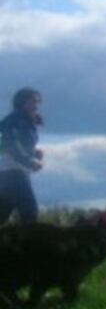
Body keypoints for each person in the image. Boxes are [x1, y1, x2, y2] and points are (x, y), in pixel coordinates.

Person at [0, 88, 45, 224]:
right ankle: (26, 245)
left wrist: (34, 152)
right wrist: (30, 161)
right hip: (13, 172)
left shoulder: (23, 121)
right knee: (29, 213)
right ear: (22, 103)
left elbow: (19, 144)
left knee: (3, 213)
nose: (36, 105)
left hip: (11, 173)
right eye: (33, 101)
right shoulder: (15, 121)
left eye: (37, 102)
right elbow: (11, 145)